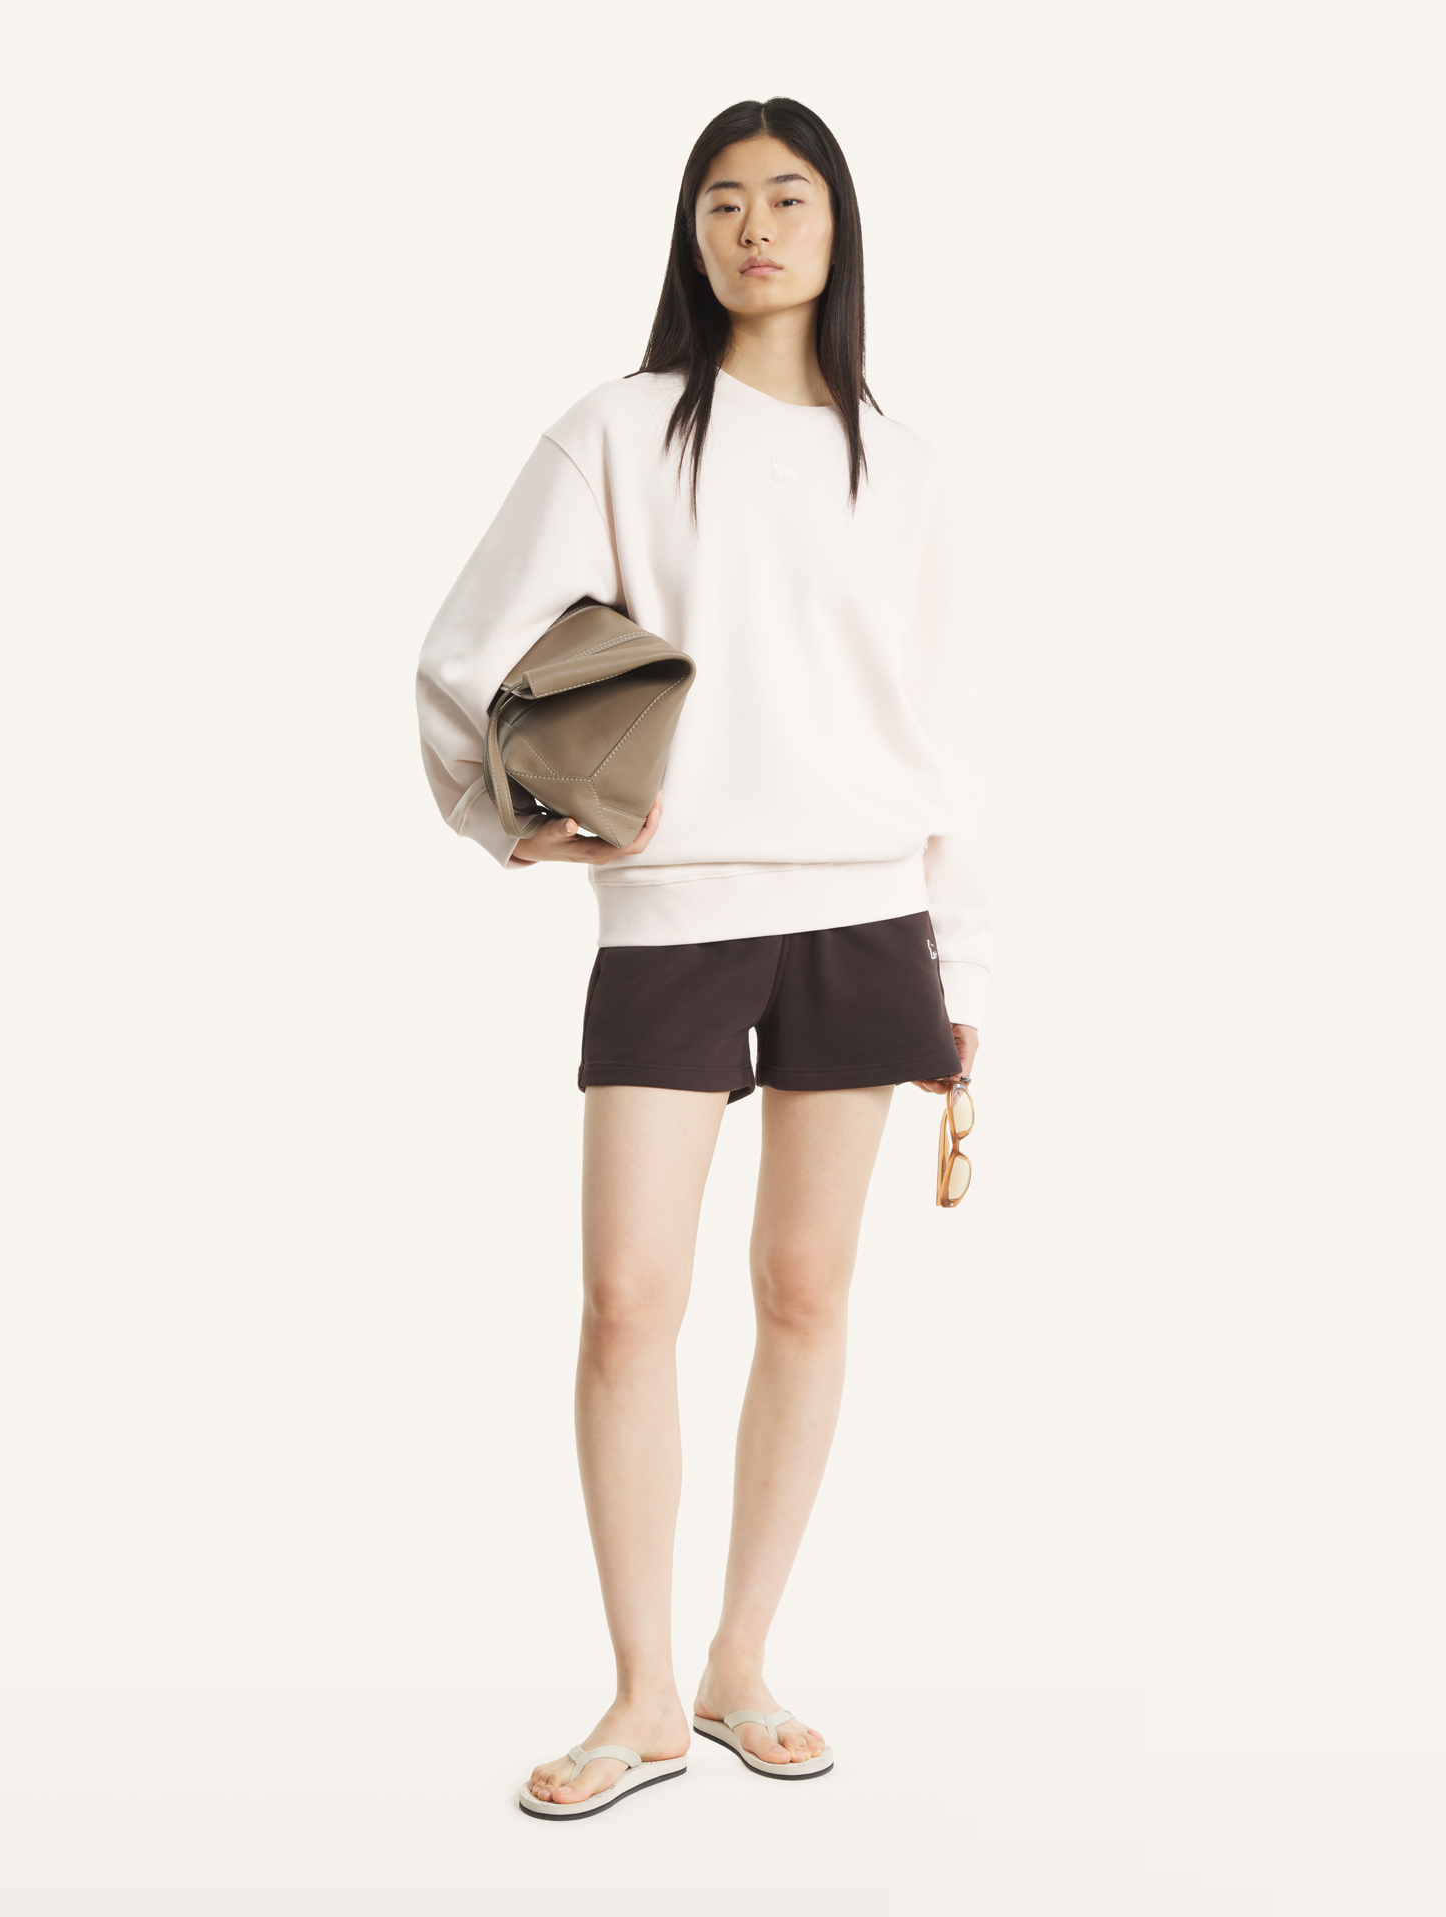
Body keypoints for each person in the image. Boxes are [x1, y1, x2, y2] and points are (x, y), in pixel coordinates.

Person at [416, 96, 989, 1820]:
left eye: (788, 197)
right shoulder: (618, 429)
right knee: (626, 1300)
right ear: (690, 230)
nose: (754, 227)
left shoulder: (904, 466)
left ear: (838, 227)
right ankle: (642, 1691)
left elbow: (952, 734)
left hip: (866, 911)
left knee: (806, 1293)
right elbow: (466, 647)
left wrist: (963, 976)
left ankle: (739, 1662)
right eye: (723, 200)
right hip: (675, 916)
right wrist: (513, 819)